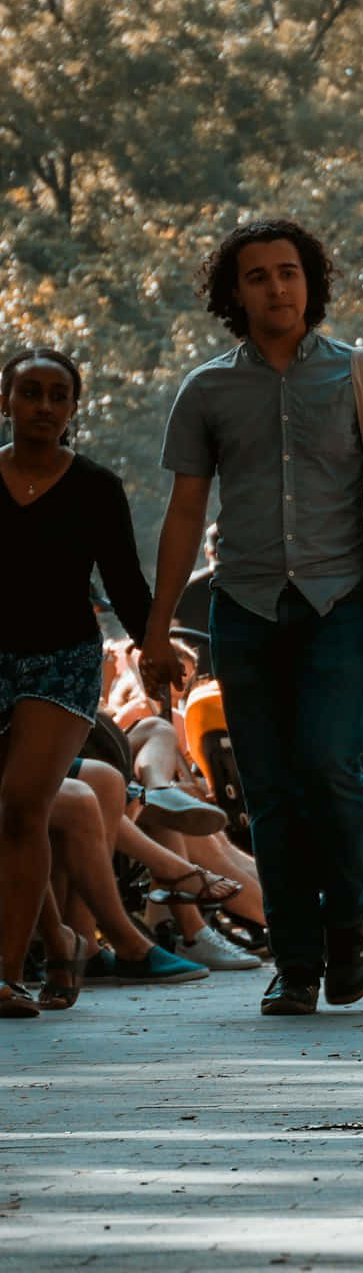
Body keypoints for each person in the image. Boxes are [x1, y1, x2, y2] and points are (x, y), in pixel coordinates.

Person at [142, 219, 363, 1017]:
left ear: (312, 281)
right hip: (245, 607)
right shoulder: (206, 390)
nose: (277, 287)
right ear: (234, 293)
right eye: (258, 276)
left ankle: (348, 931)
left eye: (289, 272)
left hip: (338, 604)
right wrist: (158, 628)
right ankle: (294, 960)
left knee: (330, 771)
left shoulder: (361, 375)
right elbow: (185, 513)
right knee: (266, 788)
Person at [0, 348, 160, 1015]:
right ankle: (61, 944)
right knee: (10, 817)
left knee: (20, 803)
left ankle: (7, 975)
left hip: (62, 659)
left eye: (57, 395)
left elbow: (124, 580)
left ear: (74, 407)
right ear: (6, 399)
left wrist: (156, 644)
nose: (43, 405)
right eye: (29, 392)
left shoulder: (95, 485)